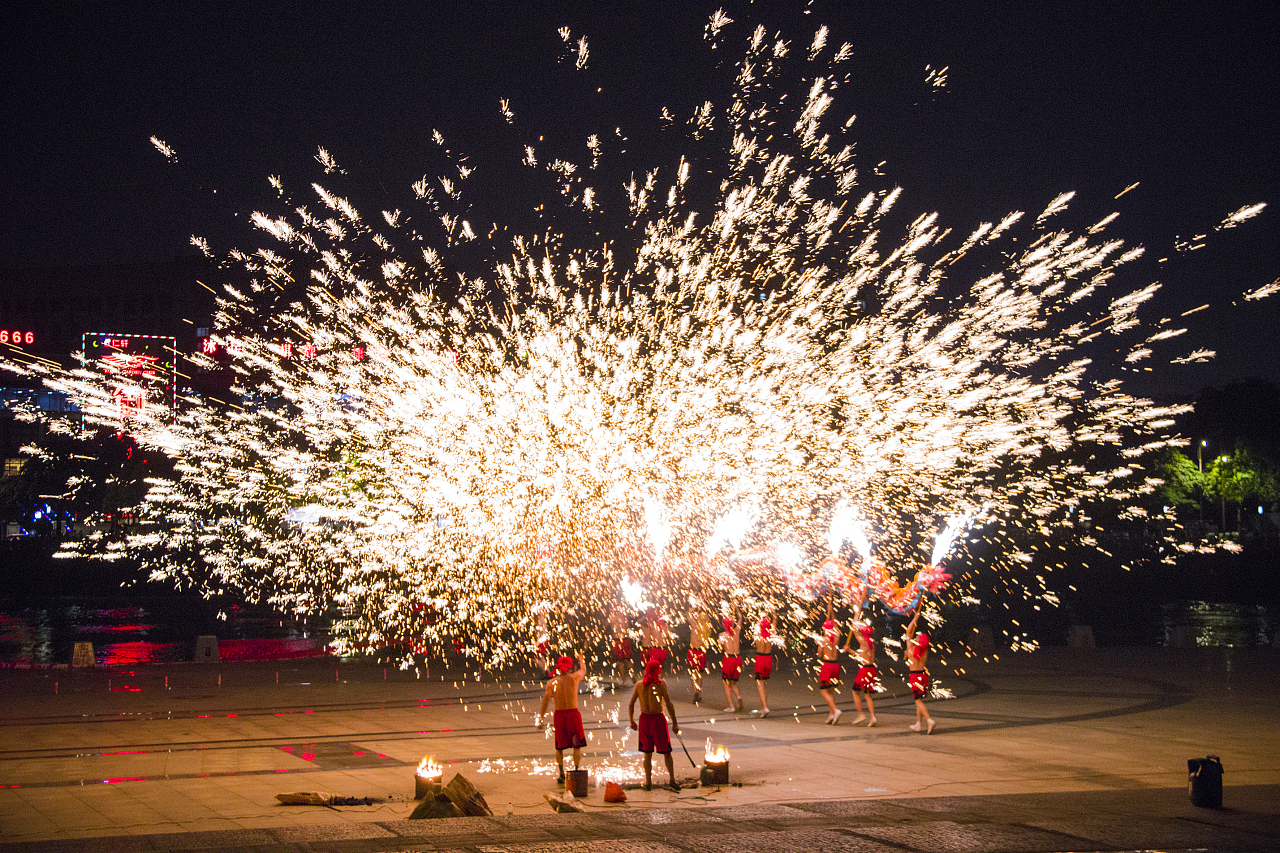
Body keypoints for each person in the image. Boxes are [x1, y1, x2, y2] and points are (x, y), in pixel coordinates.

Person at [629, 658, 681, 791]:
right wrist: (675, 723)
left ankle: (648, 782)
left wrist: (632, 720)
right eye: (659, 669)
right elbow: (669, 704)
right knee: (666, 752)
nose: (660, 671)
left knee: (647, 753)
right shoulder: (661, 684)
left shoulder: (639, 685)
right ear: (656, 671)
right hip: (658, 720)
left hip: (644, 720)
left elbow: (631, 704)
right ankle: (672, 779)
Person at [536, 655, 588, 782]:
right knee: (576, 745)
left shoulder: (551, 683)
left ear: (559, 668)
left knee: (559, 747)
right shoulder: (574, 678)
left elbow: (546, 701)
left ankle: (561, 774)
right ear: (569, 668)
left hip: (559, 716)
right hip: (573, 715)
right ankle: (576, 771)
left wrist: (541, 718)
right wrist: (581, 659)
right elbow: (583, 670)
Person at [844, 607, 879, 727]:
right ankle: (873, 717)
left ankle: (861, 714)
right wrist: (849, 650)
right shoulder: (871, 642)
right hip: (872, 669)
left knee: (855, 692)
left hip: (865, 670)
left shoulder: (863, 641)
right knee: (867, 694)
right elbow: (861, 655)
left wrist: (856, 615)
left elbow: (854, 628)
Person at [905, 609, 935, 734]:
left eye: (918, 637)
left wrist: (914, 619)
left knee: (917, 700)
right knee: (920, 700)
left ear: (918, 641)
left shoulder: (911, 649)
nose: (916, 636)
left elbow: (908, 632)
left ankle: (929, 720)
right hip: (923, 676)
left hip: (915, 676)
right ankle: (918, 723)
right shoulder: (924, 650)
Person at [817, 601, 843, 724]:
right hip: (835, 665)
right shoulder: (836, 637)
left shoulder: (823, 640)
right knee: (831, 690)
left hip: (827, 665)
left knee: (823, 690)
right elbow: (836, 625)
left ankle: (835, 710)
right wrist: (831, 611)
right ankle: (832, 714)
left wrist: (819, 646)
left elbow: (819, 654)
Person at [753, 610, 777, 717]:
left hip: (760, 659)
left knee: (760, 684)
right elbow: (774, 621)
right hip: (768, 659)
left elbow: (756, 627)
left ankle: (765, 707)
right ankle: (764, 706)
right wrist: (773, 612)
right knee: (764, 683)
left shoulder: (757, 635)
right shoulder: (771, 634)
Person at [719, 609, 744, 712]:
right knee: (733, 683)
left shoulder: (722, 635)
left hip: (728, 659)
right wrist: (736, 609)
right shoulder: (736, 631)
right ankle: (738, 697)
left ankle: (731, 706)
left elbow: (720, 649)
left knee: (726, 683)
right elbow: (740, 618)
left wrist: (720, 644)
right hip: (737, 659)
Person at [687, 605, 713, 704]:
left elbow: (689, 617)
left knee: (693, 673)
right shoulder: (707, 628)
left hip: (693, 651)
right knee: (700, 674)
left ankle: (695, 692)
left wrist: (691, 608)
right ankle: (698, 692)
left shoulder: (695, 625)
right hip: (702, 652)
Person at [608, 603, 634, 684]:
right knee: (626, 660)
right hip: (624, 639)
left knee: (620, 661)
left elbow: (610, 624)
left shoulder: (613, 617)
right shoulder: (624, 616)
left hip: (618, 640)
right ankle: (631, 676)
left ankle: (625, 680)